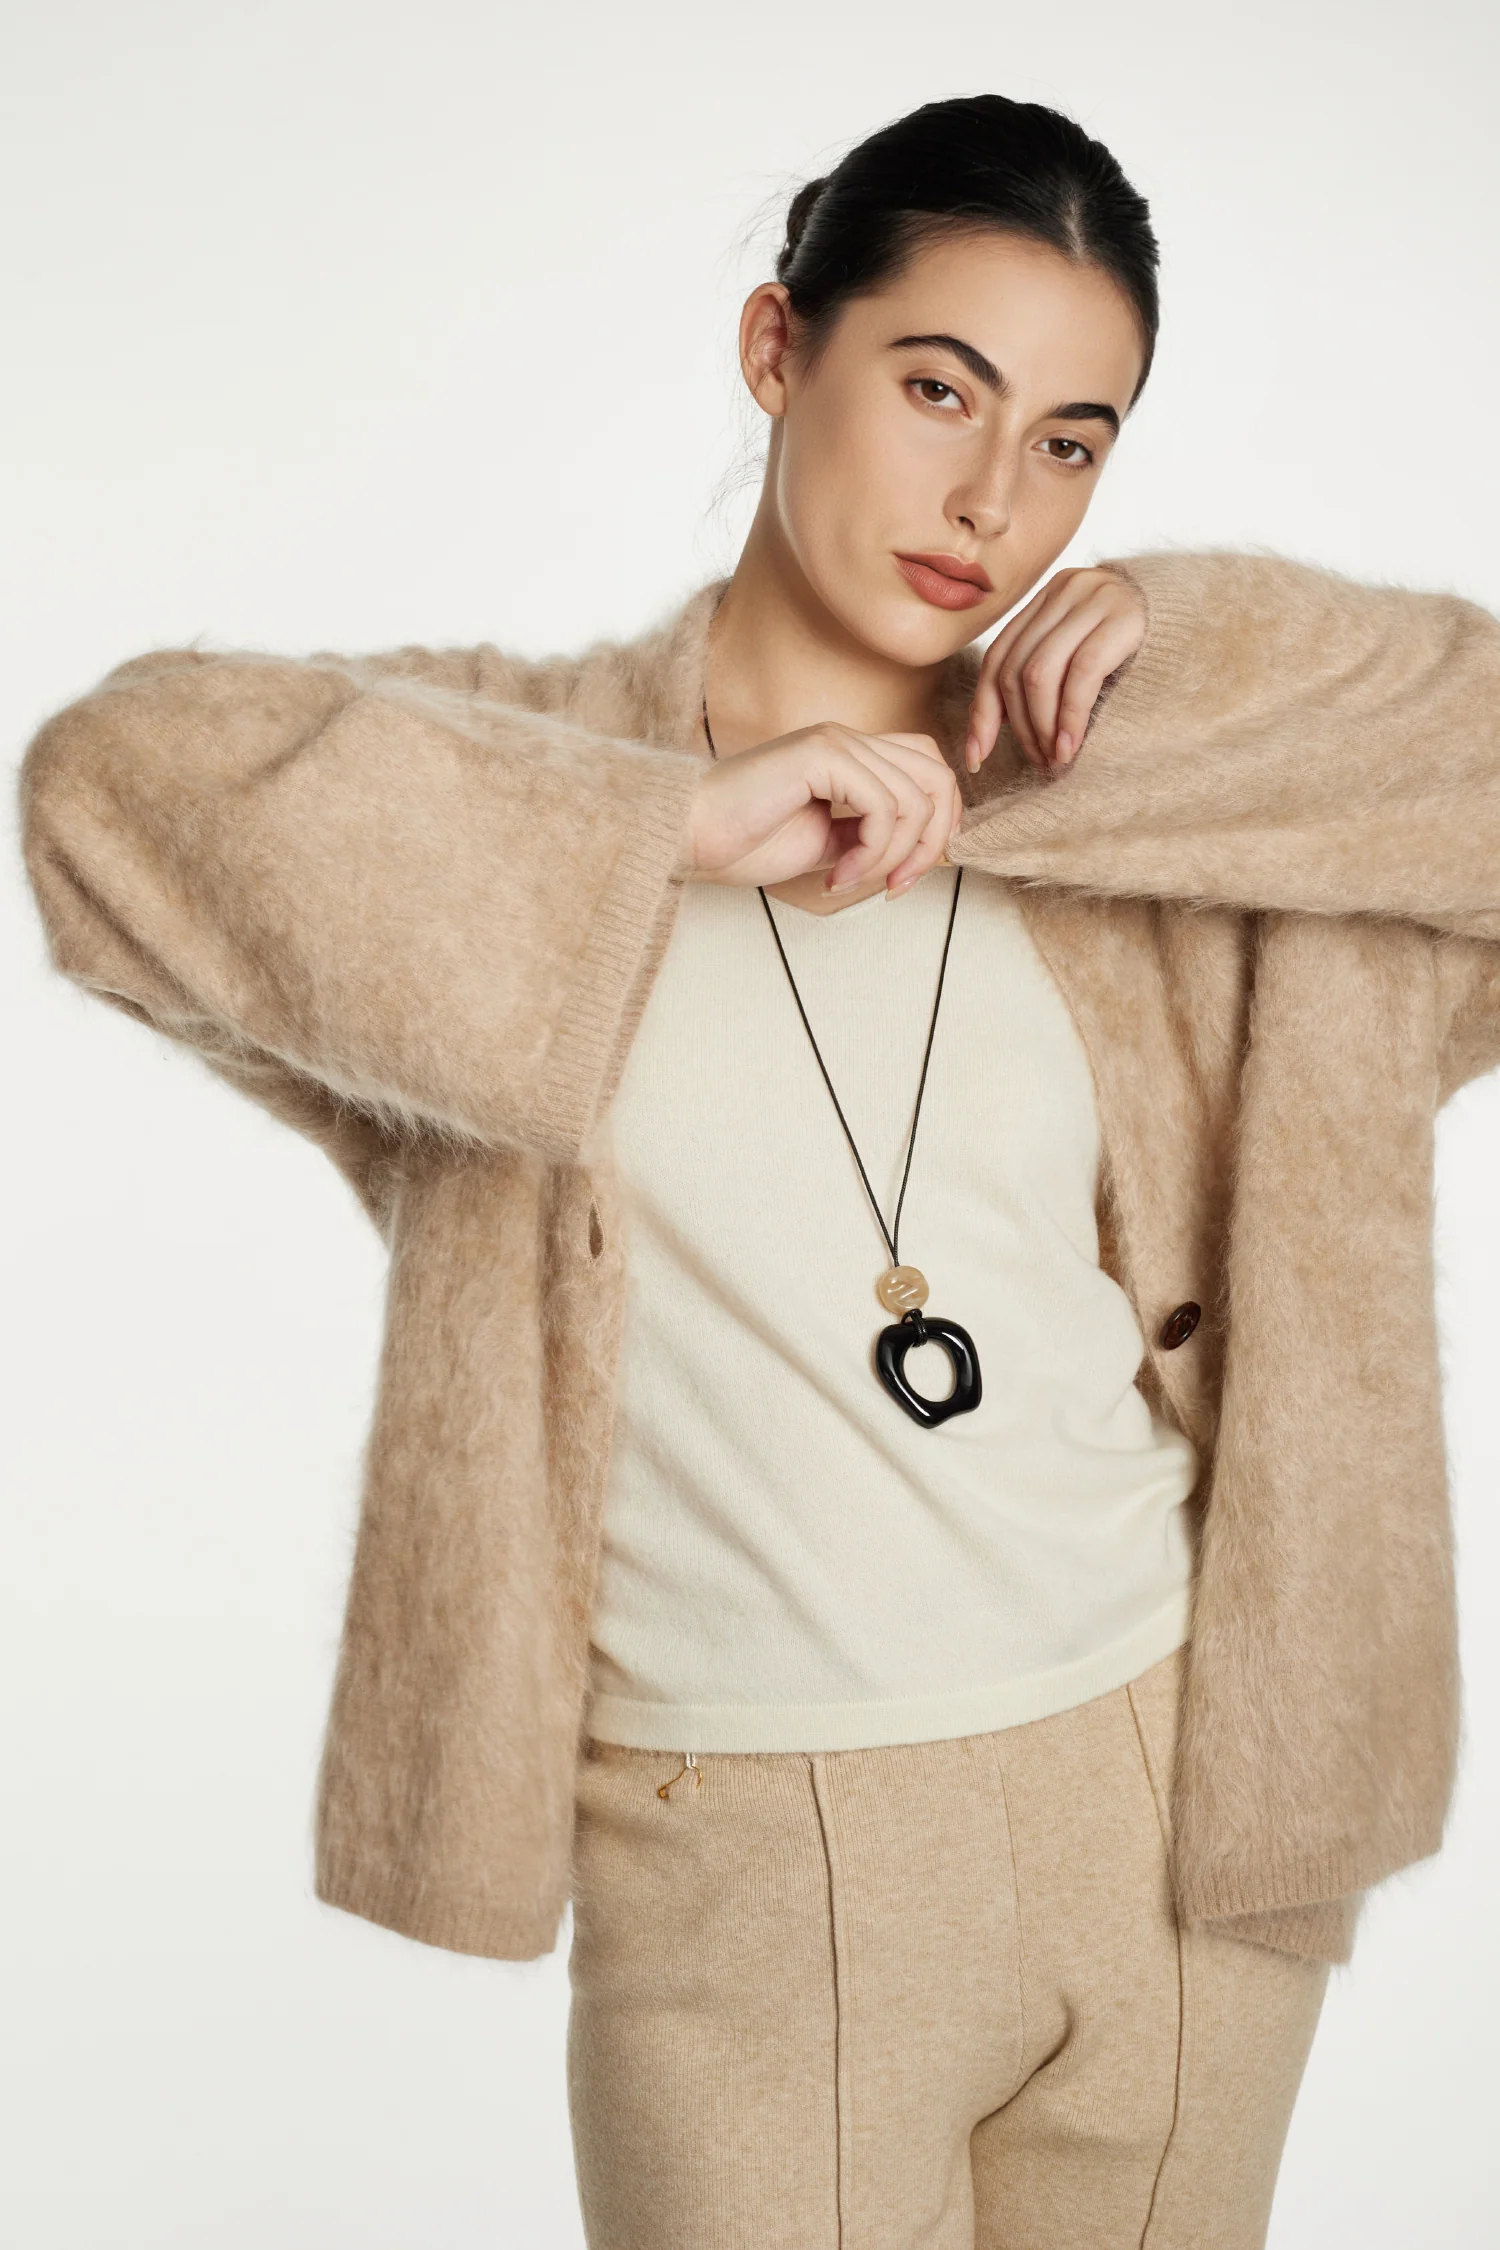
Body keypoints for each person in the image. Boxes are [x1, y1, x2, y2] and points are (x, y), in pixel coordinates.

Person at [18, 90, 1500, 2250]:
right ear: (775, 346)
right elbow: (104, 793)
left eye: (1072, 443)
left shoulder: (1138, 811)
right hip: (740, 1846)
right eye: (938, 389)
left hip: (1172, 1800)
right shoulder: (523, 786)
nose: (993, 502)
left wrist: (1211, 642)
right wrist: (664, 832)